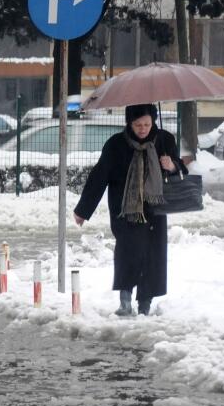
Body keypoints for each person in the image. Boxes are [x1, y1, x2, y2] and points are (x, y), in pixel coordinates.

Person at [73, 103, 188, 316]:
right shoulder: (116, 144)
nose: (143, 129)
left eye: (147, 124)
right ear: (129, 123)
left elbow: (180, 169)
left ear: (153, 122)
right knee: (128, 253)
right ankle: (125, 302)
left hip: (155, 209)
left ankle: (145, 304)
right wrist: (83, 210)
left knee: (152, 256)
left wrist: (172, 165)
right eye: (138, 125)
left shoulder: (164, 140)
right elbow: (99, 176)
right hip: (125, 211)